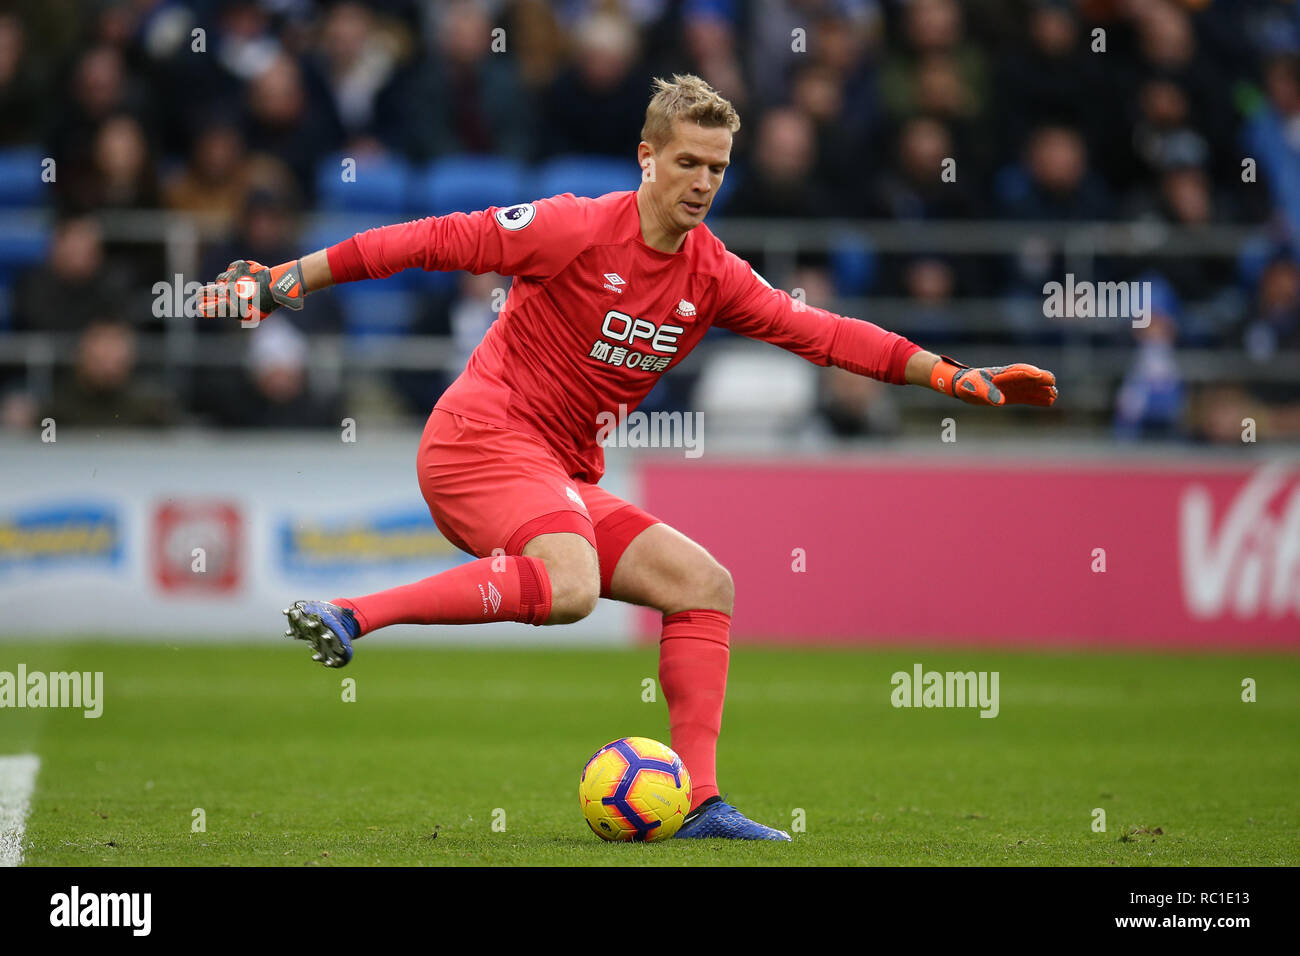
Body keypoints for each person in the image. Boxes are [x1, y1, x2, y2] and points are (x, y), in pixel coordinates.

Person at [200, 74, 1057, 841]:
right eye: (687, 163)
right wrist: (285, 280)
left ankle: (700, 802)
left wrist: (950, 376)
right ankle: (354, 613)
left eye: (718, 169)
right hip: (480, 439)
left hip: (556, 473)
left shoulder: (713, 273)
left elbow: (822, 333)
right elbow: (431, 239)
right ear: (645, 157)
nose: (703, 184)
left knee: (703, 584)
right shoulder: (574, 228)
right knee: (570, 585)